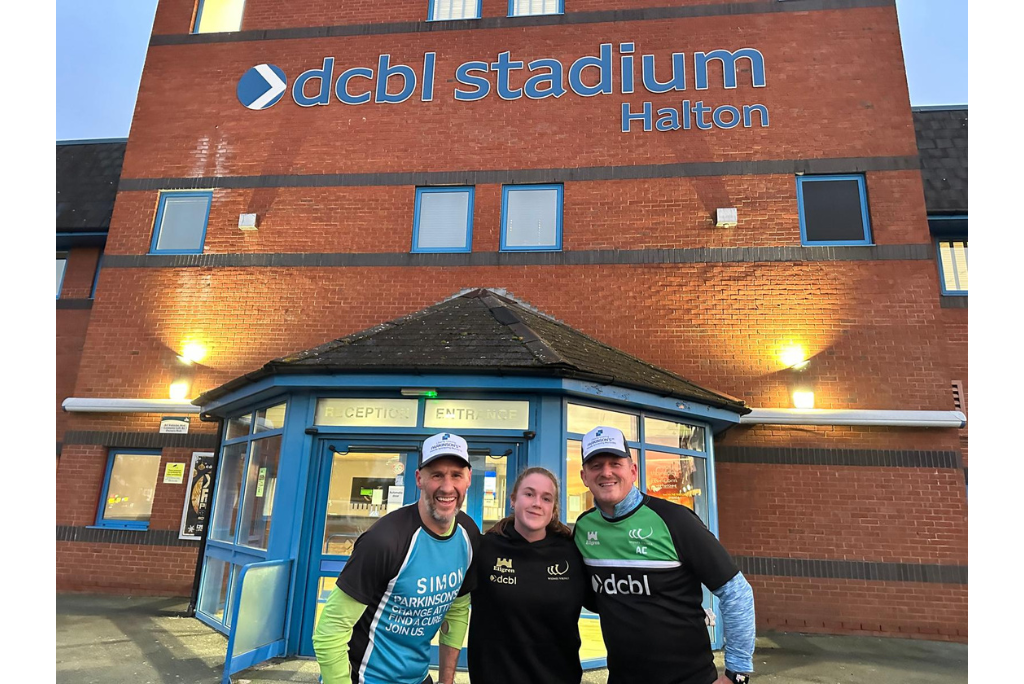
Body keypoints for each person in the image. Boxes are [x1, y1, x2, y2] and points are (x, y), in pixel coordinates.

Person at [573, 426, 756, 684]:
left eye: (615, 463)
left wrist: (736, 673)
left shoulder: (674, 519)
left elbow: (735, 590)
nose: (606, 472)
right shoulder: (583, 528)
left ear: (633, 471)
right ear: (584, 476)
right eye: (595, 465)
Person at [313, 432, 480, 684]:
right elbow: (329, 633)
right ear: (419, 479)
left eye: (456, 475)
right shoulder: (385, 540)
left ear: (468, 478)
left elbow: (457, 611)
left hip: (418, 677)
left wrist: (446, 681)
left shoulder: (468, 535)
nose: (447, 487)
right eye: (436, 475)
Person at [466, 467, 592, 684]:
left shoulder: (573, 553)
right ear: (513, 500)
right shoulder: (484, 549)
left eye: (546, 498)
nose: (537, 503)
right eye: (529, 494)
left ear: (553, 509)